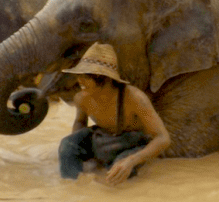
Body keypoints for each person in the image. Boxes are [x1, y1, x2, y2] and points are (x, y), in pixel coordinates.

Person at [58, 43, 171, 185]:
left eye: (85, 77)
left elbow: (163, 138)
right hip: (101, 137)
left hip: (130, 143)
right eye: (79, 76)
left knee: (117, 175)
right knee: (67, 144)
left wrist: (131, 161)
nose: (79, 81)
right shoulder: (82, 98)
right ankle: (71, 186)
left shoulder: (135, 98)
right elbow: (80, 122)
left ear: (102, 77)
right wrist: (77, 147)